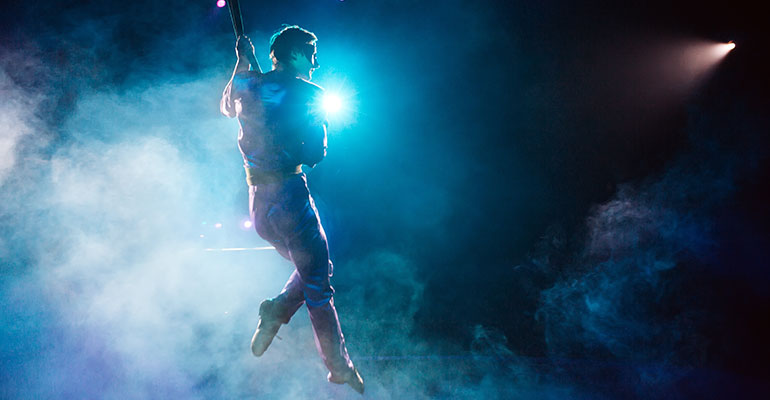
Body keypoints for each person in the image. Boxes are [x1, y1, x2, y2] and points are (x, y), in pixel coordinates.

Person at [220, 26, 364, 394]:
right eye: (312, 52)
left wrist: (242, 66)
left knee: (315, 269)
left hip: (258, 205)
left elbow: (226, 107)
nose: (316, 61)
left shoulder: (249, 84)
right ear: (296, 54)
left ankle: (277, 311)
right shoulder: (310, 94)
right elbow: (314, 155)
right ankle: (339, 367)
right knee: (318, 285)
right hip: (289, 199)